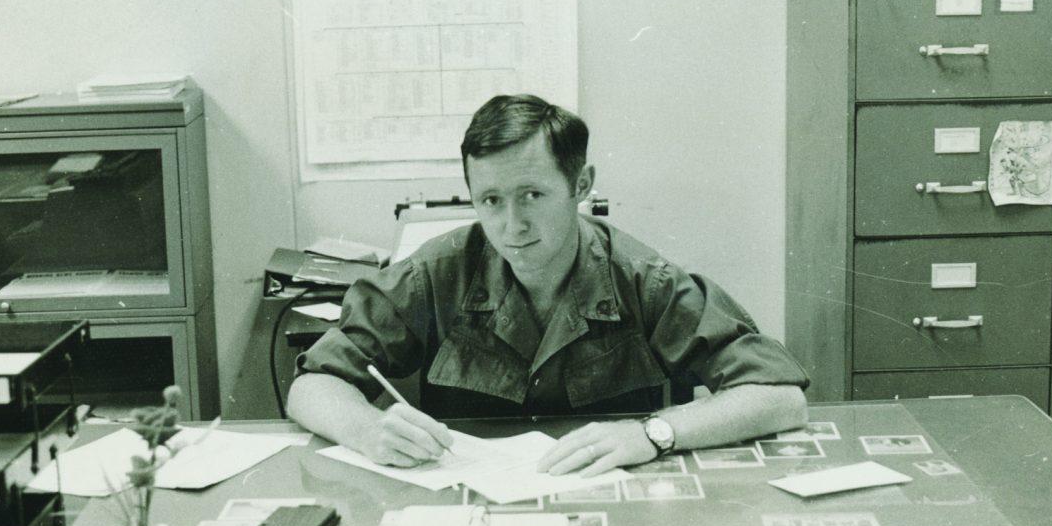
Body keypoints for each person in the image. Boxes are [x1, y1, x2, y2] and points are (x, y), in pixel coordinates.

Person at [288, 94, 809, 476]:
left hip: (615, 504)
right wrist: (366, 430)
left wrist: (652, 434)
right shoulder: (437, 272)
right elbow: (312, 385)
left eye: (532, 195)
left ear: (580, 186)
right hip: (471, 505)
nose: (512, 225)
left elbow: (779, 396)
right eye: (491, 200)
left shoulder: (643, 280)